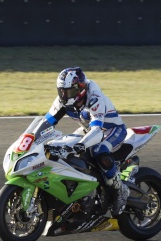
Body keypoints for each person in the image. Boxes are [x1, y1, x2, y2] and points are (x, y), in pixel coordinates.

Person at [43, 67, 129, 216]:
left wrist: (80, 146)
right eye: (61, 91)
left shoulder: (94, 98)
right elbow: (46, 122)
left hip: (111, 130)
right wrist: (30, 136)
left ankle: (120, 190)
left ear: (79, 89)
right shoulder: (63, 101)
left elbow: (97, 130)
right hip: (90, 130)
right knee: (60, 145)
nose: (64, 95)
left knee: (98, 150)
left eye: (67, 91)